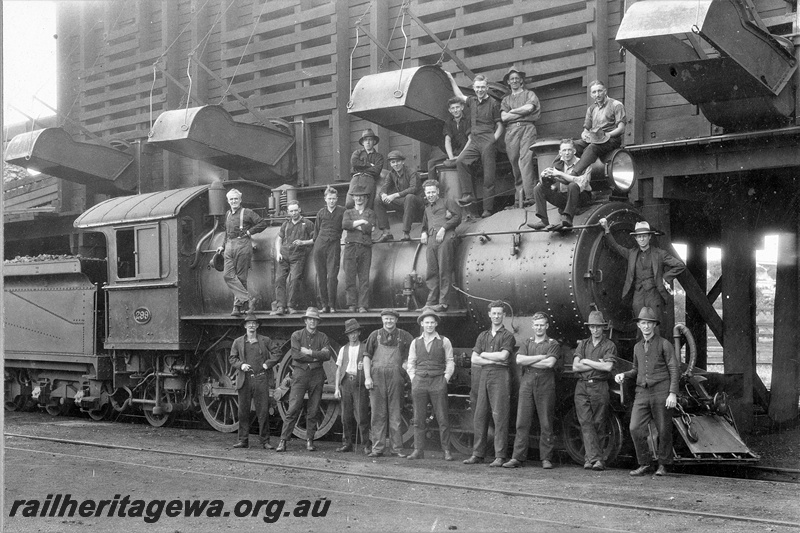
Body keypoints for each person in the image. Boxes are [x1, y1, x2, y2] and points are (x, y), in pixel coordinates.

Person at [615, 307, 679, 477]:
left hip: (661, 391)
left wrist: (672, 393)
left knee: (664, 429)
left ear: (654, 325)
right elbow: (636, 369)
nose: (646, 327)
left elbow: (674, 368)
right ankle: (645, 463)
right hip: (642, 392)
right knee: (635, 427)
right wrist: (624, 374)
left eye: (649, 323)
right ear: (639, 325)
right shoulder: (637, 347)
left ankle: (663, 465)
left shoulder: (665, 344)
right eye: (643, 323)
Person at [599, 218, 686, 325]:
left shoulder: (660, 254)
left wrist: (665, 277)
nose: (642, 239)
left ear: (649, 237)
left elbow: (680, 265)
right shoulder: (632, 253)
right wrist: (606, 229)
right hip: (638, 296)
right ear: (635, 238)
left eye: (644, 236)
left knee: (655, 326)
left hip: (654, 295)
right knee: (640, 327)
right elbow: (616, 247)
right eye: (639, 236)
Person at [503, 312, 560, 469]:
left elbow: (550, 363)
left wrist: (531, 361)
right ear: (532, 326)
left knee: (546, 422)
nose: (539, 328)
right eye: (536, 325)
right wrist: (541, 357)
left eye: (542, 325)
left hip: (545, 383)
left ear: (547, 326)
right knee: (522, 421)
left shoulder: (553, 343)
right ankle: (517, 457)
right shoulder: (526, 342)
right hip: (527, 383)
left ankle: (546, 458)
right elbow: (519, 360)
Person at [463, 301, 516, 466]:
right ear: (489, 315)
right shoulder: (482, 336)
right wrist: (491, 357)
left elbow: (504, 357)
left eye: (499, 313)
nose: (496, 316)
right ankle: (477, 454)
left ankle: (500, 456)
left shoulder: (508, 336)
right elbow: (474, 359)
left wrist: (484, 355)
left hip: (501, 377)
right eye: (494, 313)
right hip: (484, 376)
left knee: (499, 415)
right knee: (480, 415)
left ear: (504, 315)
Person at [445, 71, 504, 217]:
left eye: (482, 87)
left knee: (488, 176)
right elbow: (459, 95)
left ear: (487, 87)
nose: (479, 90)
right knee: (461, 161)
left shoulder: (494, 104)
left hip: (488, 141)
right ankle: (468, 194)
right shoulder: (471, 101)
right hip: (474, 141)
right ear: (474, 87)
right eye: (477, 87)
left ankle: (487, 209)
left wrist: (493, 140)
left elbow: (500, 125)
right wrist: (451, 79)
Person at [276, 307, 333, 452]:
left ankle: (309, 440)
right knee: (293, 407)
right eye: (310, 319)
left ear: (317, 322)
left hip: (316, 376)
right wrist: (316, 356)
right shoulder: (296, 335)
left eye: (315, 319)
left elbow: (327, 356)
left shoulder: (323, 337)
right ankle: (283, 441)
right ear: (306, 320)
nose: (312, 321)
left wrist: (310, 352)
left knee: (313, 409)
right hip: (300, 374)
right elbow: (296, 355)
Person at [364, 309, 415, 458]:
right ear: (382, 320)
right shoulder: (374, 336)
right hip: (377, 378)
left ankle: (397, 449)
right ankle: (377, 448)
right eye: (386, 319)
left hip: (396, 378)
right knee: (377, 414)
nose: (389, 321)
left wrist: (406, 368)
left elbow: (411, 357)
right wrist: (368, 377)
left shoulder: (405, 336)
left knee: (395, 413)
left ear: (396, 320)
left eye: (391, 319)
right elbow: (367, 357)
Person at [406, 308, 455, 461]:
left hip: (437, 381)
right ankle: (418, 450)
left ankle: (446, 450)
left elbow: (450, 361)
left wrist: (445, 379)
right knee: (418, 418)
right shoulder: (415, 342)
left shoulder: (444, 341)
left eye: (432, 322)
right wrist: (413, 378)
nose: (429, 325)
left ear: (436, 324)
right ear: (422, 323)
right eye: (426, 322)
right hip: (419, 382)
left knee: (442, 417)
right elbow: (411, 363)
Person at [572, 310, 617, 471]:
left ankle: (591, 459)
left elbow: (608, 366)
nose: (595, 330)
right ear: (589, 328)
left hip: (599, 386)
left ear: (603, 328)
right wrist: (595, 363)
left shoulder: (609, 345)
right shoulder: (583, 344)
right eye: (592, 326)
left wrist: (586, 361)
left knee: (599, 422)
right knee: (585, 422)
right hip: (582, 385)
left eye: (598, 327)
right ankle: (595, 459)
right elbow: (575, 366)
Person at [229, 313, 280, 449]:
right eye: (249, 323)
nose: (251, 325)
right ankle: (243, 440)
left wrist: (267, 364)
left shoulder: (265, 340)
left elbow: (277, 353)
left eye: (254, 323)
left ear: (257, 326)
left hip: (261, 379)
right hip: (245, 380)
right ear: (245, 326)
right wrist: (241, 365)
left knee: (263, 411)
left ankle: (265, 441)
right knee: (243, 412)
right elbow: (232, 358)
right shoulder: (238, 342)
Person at [217, 188, 268, 316]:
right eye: (231, 199)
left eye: (236, 199)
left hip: (243, 245)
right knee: (227, 275)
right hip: (229, 245)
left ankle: (237, 307)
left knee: (241, 277)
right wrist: (222, 246)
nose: (234, 201)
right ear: (228, 201)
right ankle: (248, 300)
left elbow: (262, 223)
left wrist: (249, 232)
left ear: (240, 200)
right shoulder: (228, 214)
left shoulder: (247, 212)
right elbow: (227, 233)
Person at [529, 138, 592, 230]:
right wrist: (543, 177)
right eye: (564, 150)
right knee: (538, 188)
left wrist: (560, 174)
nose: (567, 153)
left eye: (569, 150)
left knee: (573, 185)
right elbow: (547, 182)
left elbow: (582, 183)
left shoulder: (584, 164)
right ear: (560, 152)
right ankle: (543, 221)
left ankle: (568, 219)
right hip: (565, 198)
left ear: (574, 151)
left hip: (582, 198)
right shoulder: (558, 164)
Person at [500, 67, 541, 205]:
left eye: (517, 78)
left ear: (521, 80)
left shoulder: (529, 94)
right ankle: (519, 197)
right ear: (508, 82)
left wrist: (513, 112)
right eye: (512, 79)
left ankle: (530, 196)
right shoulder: (506, 100)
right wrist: (521, 111)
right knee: (514, 163)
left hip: (527, 129)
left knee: (525, 161)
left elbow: (529, 108)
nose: (515, 80)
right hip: (511, 132)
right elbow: (504, 117)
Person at [420, 179, 462, 312]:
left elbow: (457, 217)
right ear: (425, 194)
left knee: (444, 269)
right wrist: (423, 233)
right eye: (428, 192)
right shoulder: (427, 209)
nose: (431, 195)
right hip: (432, 240)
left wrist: (444, 228)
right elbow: (425, 225)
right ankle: (431, 302)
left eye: (433, 192)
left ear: (437, 191)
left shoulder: (447, 202)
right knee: (431, 271)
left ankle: (443, 303)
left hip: (446, 238)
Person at [570, 80, 626, 176]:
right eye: (594, 92)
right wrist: (584, 136)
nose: (597, 94)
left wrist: (606, 135)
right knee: (571, 145)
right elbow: (585, 130)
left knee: (593, 147)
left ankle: (573, 174)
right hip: (595, 139)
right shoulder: (591, 109)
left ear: (605, 91)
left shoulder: (616, 105)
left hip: (611, 140)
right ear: (591, 95)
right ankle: (554, 172)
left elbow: (621, 129)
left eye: (600, 91)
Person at [334, 318, 372, 454]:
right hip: (346, 383)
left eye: (355, 332)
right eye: (351, 333)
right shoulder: (343, 349)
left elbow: (370, 365)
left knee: (362, 416)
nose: (353, 335)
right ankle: (347, 443)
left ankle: (367, 444)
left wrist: (362, 367)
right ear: (347, 335)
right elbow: (338, 369)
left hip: (359, 383)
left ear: (359, 333)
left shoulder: (364, 347)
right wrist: (337, 388)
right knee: (346, 415)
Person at [271, 200, 314, 316]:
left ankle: (291, 306)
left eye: (296, 210)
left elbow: (314, 239)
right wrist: (278, 253)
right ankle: (280, 307)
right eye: (291, 211)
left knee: (294, 280)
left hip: (298, 256)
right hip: (284, 255)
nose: (294, 213)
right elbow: (279, 239)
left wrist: (303, 242)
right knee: (279, 279)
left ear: (299, 209)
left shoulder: (307, 223)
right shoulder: (286, 224)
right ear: (288, 212)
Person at [374, 150, 424, 242]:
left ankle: (406, 233)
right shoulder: (391, 174)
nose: (396, 164)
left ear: (403, 162)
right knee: (378, 200)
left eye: (398, 161)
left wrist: (395, 195)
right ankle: (386, 232)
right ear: (390, 164)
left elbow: (413, 189)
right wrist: (383, 194)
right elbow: (384, 187)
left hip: (418, 202)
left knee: (409, 197)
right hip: (403, 201)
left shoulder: (411, 172)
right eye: (393, 162)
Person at [342, 185, 377, 313]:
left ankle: (362, 305)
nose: (359, 199)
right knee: (349, 276)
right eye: (356, 196)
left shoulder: (370, 212)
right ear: (353, 198)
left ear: (366, 198)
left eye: (361, 196)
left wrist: (354, 225)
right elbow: (345, 224)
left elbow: (370, 229)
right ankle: (351, 304)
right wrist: (362, 221)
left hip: (365, 247)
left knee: (364, 277)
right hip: (351, 246)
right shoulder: (348, 212)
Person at [313, 187, 345, 312]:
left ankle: (332, 305)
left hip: (334, 245)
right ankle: (324, 305)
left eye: (334, 199)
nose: (331, 201)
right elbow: (316, 232)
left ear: (337, 199)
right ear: (325, 199)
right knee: (321, 277)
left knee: (332, 276)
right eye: (329, 199)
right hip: (320, 246)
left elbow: (346, 225)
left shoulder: (342, 211)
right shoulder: (321, 213)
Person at [426, 96, 471, 177]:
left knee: (459, 162)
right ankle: (432, 186)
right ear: (450, 110)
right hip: (455, 153)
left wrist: (461, 156)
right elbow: (448, 140)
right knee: (431, 163)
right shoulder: (449, 122)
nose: (455, 110)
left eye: (457, 107)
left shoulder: (468, 120)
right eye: (453, 108)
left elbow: (470, 139)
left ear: (462, 107)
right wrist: (451, 157)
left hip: (468, 152)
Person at [347, 128, 384, 209]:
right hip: (356, 178)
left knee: (368, 205)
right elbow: (354, 163)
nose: (368, 142)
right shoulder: (357, 153)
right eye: (365, 140)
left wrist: (360, 168)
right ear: (363, 142)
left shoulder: (378, 156)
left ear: (374, 142)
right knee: (349, 203)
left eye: (370, 140)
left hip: (369, 179)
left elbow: (376, 171)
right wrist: (369, 165)